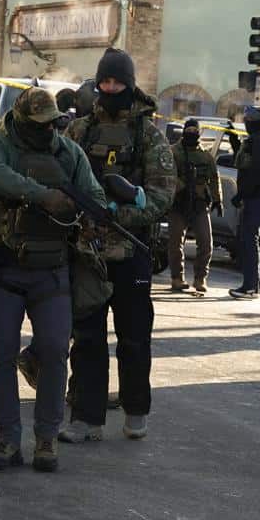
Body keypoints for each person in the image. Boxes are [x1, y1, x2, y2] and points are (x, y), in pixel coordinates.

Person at [0, 85, 103, 471]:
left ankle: (46, 438)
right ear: (23, 120)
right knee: (1, 358)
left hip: (51, 268)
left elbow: (91, 191)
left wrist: (95, 215)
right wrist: (42, 195)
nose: (48, 131)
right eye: (41, 125)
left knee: (54, 352)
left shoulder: (66, 151)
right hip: (1, 268)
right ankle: (7, 440)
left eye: (53, 124)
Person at [61, 47, 175, 441]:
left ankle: (135, 410)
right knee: (87, 340)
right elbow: (59, 178)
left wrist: (120, 212)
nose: (111, 89)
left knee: (134, 338)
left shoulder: (148, 135)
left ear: (130, 85)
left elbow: (162, 195)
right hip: (87, 254)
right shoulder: (78, 131)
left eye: (118, 83)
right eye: (105, 82)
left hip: (131, 252)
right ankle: (84, 417)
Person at [228, 108, 260, 299]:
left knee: (249, 238)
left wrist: (241, 195)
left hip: (258, 197)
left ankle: (250, 287)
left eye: (250, 120)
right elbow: (246, 163)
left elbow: (256, 173)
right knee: (255, 237)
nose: (248, 123)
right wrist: (234, 140)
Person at [166, 117, 219, 295]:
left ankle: (200, 278)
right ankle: (176, 278)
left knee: (206, 242)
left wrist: (217, 199)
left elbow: (214, 178)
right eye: (188, 131)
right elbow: (166, 174)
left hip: (199, 204)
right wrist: (180, 186)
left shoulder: (205, 156)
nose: (191, 134)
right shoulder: (173, 152)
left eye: (194, 131)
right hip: (178, 203)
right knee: (175, 242)